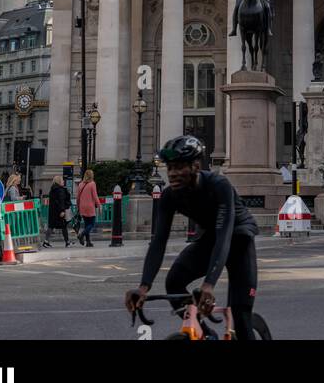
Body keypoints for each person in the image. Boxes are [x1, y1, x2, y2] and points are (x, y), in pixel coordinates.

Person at [124, 136, 260, 341]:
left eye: (178, 167)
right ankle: (206, 335)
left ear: (196, 166)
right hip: (210, 239)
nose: (172, 174)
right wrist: (144, 287)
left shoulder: (218, 185)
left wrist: (209, 284)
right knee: (174, 281)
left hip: (238, 239)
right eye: (169, 168)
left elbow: (224, 236)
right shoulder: (170, 196)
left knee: (241, 315)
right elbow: (158, 241)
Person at [76, 169, 102, 247]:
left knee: (87, 224)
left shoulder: (80, 184)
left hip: (82, 206)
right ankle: (82, 235)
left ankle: (88, 242)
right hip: (90, 206)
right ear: (91, 176)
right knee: (92, 224)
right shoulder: (92, 184)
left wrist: (78, 206)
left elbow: (78, 198)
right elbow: (95, 196)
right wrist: (99, 205)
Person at [47, 177, 73, 249]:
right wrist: (62, 210)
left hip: (53, 211)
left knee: (51, 226)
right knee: (64, 226)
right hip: (60, 211)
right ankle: (67, 242)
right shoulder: (60, 190)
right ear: (59, 181)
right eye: (62, 180)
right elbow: (61, 200)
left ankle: (46, 241)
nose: (63, 181)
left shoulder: (53, 189)